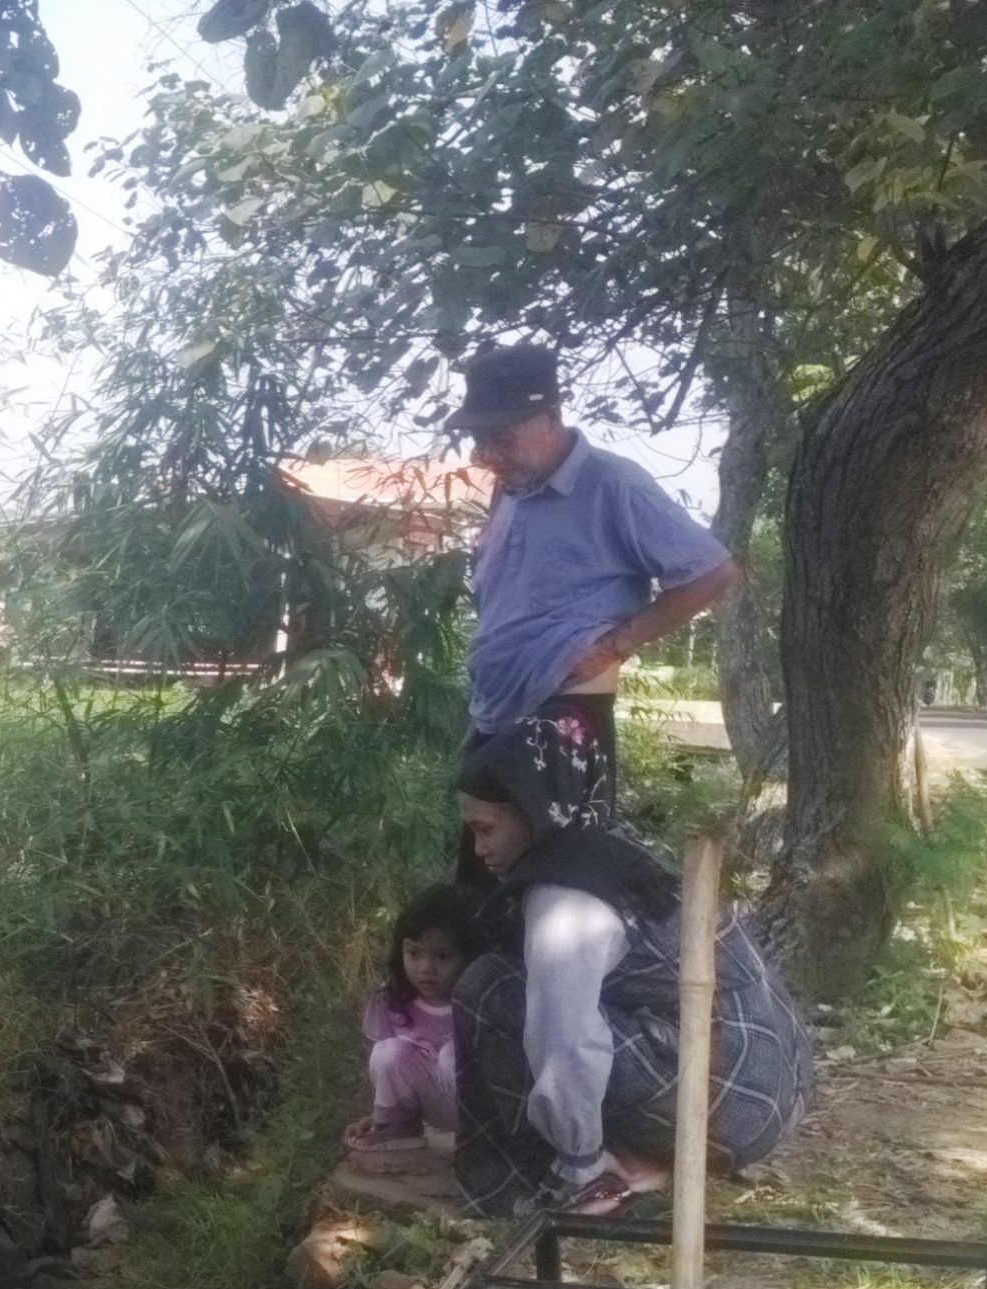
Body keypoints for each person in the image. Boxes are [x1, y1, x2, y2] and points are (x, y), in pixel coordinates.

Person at [451, 714, 812, 1218]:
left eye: (485, 829)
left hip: (731, 1103)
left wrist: (580, 1157)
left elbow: (565, 1040)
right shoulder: (605, 851)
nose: (479, 849)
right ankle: (645, 1157)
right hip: (774, 1086)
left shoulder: (564, 900)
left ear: (532, 813)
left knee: (487, 987)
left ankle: (571, 1181)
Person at [447, 341, 742, 833]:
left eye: (501, 437)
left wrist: (618, 645)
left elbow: (713, 572)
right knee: (490, 894)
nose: (488, 455)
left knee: (553, 888)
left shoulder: (614, 483)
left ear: (551, 416)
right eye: (480, 441)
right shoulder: (510, 487)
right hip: (495, 714)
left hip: (562, 717)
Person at [344, 884, 480, 1160]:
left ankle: (483, 1146)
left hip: (481, 1114)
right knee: (388, 1052)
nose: (426, 968)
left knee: (452, 1056)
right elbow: (390, 1070)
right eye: (414, 954)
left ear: (468, 957)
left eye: (442, 956)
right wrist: (381, 1114)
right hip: (435, 1107)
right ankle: (399, 1128)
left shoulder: (479, 1002)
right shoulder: (392, 1002)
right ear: (400, 951)